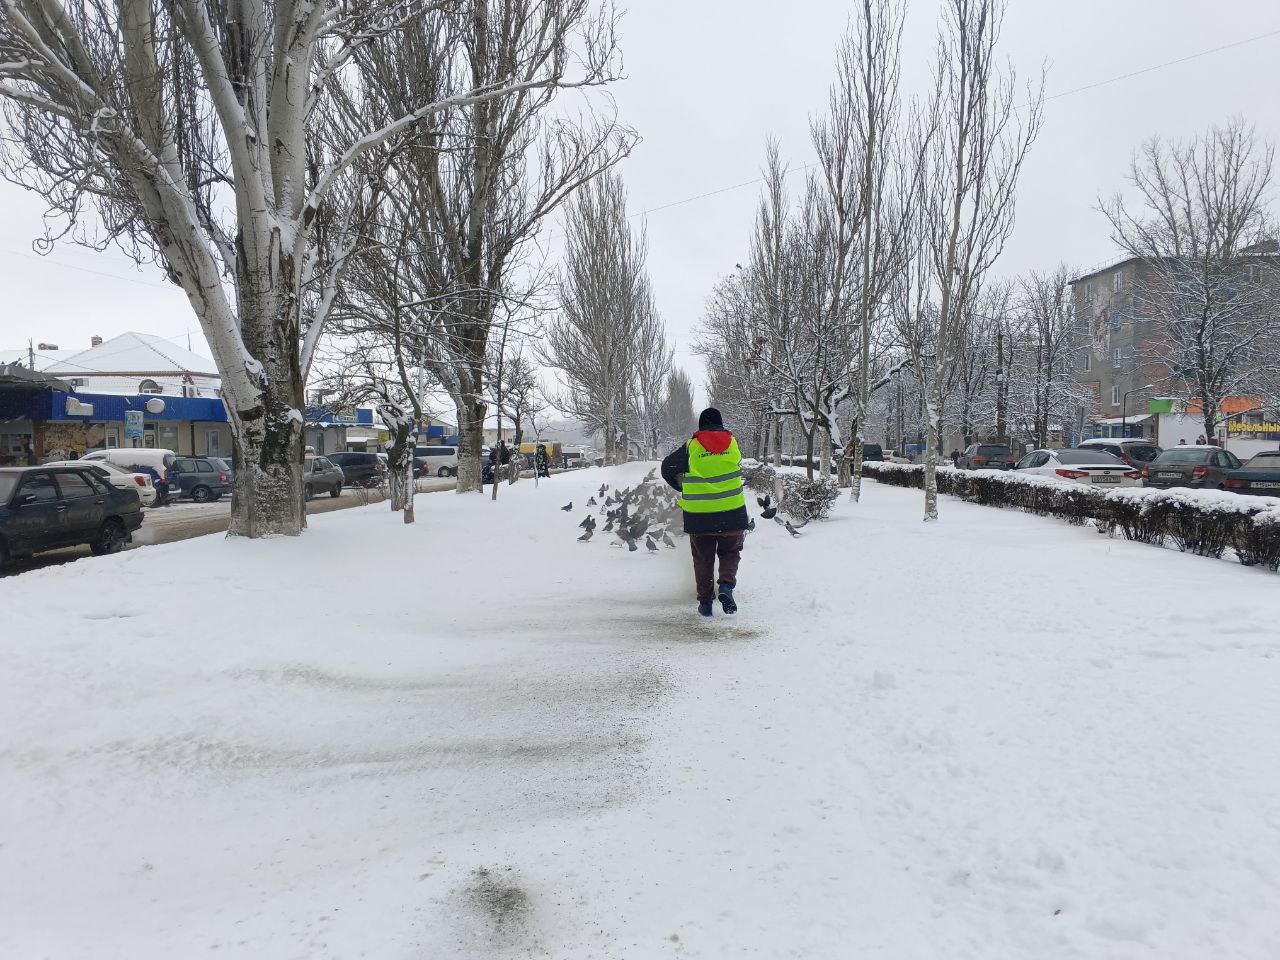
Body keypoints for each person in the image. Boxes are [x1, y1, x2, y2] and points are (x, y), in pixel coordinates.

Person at [661, 407, 749, 618]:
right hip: (732, 512)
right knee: (730, 552)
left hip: (699, 516)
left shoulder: (691, 446)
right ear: (721, 423)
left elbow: (666, 468)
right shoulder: (733, 443)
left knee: (703, 558)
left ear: (701, 425)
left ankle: (706, 604)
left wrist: (683, 486)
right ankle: (726, 587)